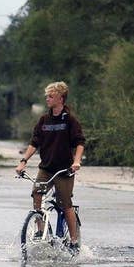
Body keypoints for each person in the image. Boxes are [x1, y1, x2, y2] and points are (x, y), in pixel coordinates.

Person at [15, 81, 86, 251]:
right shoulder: (44, 120)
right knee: (36, 193)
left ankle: (74, 241)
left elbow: (80, 142)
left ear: (61, 99)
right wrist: (23, 161)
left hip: (64, 170)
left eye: (51, 96)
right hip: (46, 168)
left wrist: (76, 161)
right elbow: (34, 143)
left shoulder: (70, 120)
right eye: (47, 96)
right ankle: (40, 230)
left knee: (65, 204)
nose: (47, 99)